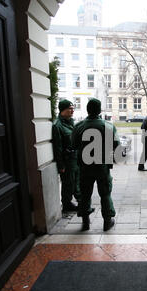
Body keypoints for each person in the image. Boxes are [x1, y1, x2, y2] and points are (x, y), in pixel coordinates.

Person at [72, 98, 120, 231]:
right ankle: (107, 221)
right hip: (102, 166)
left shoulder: (79, 126)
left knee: (85, 193)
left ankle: (85, 221)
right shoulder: (108, 126)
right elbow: (116, 147)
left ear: (87, 110)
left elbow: (74, 145)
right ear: (99, 110)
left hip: (85, 167)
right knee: (105, 193)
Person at [52, 99, 81, 213]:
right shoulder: (57, 126)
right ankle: (67, 204)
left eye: (73, 108)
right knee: (68, 184)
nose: (72, 110)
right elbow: (57, 147)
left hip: (76, 158)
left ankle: (81, 202)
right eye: (70, 108)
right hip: (67, 160)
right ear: (62, 110)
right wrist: (61, 165)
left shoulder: (71, 122)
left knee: (77, 182)